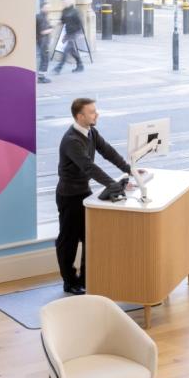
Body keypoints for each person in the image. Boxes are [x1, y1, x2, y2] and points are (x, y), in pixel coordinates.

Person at [55, 98, 131, 294]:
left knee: (90, 237)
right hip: (69, 196)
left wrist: (129, 170)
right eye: (92, 112)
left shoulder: (91, 132)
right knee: (68, 241)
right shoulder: (72, 140)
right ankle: (70, 282)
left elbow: (109, 152)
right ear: (80, 116)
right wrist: (112, 184)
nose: (96, 115)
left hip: (84, 193)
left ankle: (86, 279)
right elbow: (89, 167)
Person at [53, 0, 85, 74]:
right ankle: (80, 65)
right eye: (63, 2)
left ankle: (59, 67)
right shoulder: (64, 11)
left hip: (75, 32)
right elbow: (62, 21)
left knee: (66, 49)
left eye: (66, 2)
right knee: (72, 50)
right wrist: (56, 23)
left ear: (70, 2)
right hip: (68, 33)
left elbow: (80, 22)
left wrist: (81, 33)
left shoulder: (75, 11)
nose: (65, 3)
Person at [36, 3, 53, 84]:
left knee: (43, 59)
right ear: (42, 8)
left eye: (49, 8)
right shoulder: (42, 17)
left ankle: (41, 77)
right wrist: (51, 29)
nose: (48, 9)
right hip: (43, 41)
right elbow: (43, 32)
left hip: (41, 41)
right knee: (45, 59)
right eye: (47, 8)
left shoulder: (41, 17)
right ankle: (41, 78)